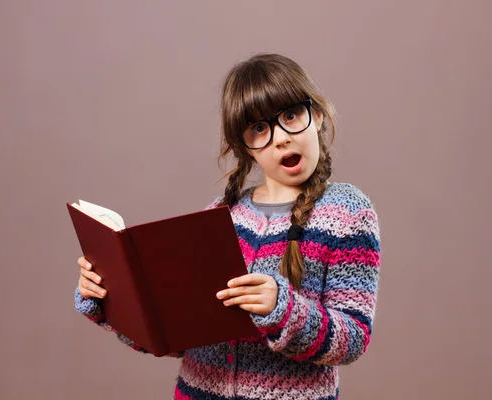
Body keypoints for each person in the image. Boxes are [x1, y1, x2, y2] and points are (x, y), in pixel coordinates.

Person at [74, 53, 381, 400]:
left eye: (291, 115)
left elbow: (353, 338)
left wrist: (283, 308)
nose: (280, 138)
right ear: (246, 147)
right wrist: (111, 298)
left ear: (318, 115)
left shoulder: (347, 213)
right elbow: (173, 340)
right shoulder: (219, 215)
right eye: (259, 128)